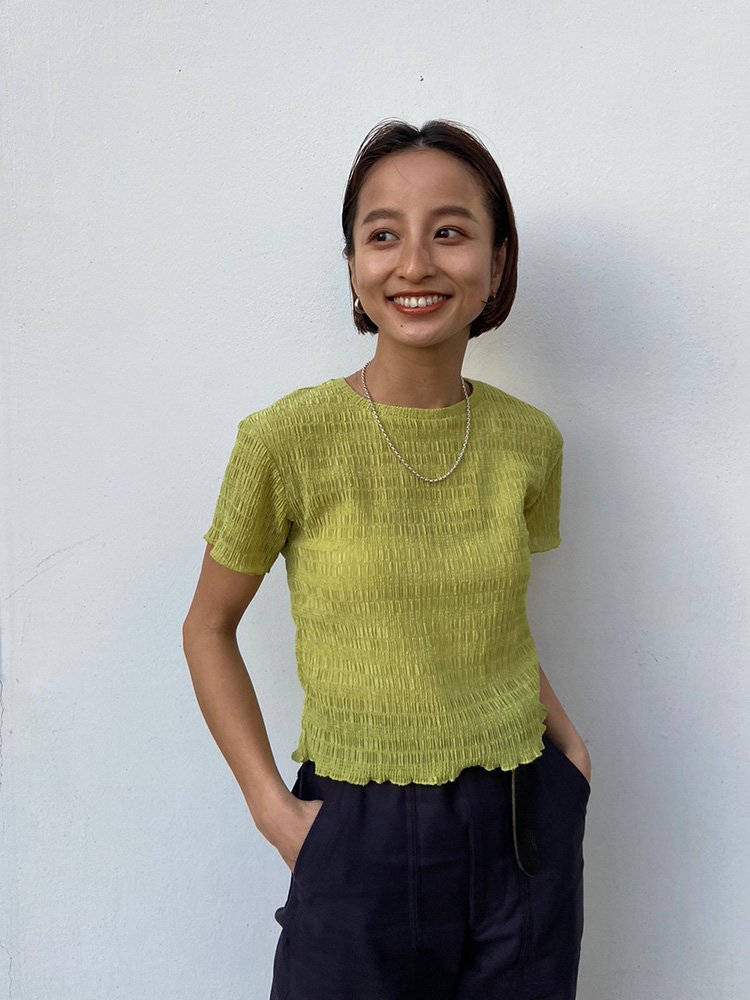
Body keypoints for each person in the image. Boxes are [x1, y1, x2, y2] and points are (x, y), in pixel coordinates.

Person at [182, 118, 593, 1000]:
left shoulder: (530, 441)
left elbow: (493, 622)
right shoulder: (285, 440)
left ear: (497, 262)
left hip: (524, 820)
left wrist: (570, 757)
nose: (415, 264)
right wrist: (276, 813)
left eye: (449, 231)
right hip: (356, 831)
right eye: (382, 235)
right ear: (353, 266)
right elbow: (207, 628)